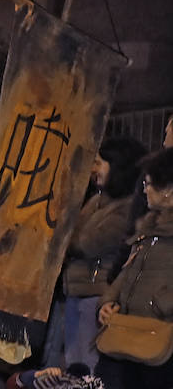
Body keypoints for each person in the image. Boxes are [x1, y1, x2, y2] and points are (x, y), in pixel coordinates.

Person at [45, 136, 146, 370]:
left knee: (87, 366)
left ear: (118, 165)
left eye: (99, 163)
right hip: (74, 292)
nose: (93, 169)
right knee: (72, 362)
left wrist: (63, 237)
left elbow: (84, 242)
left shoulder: (126, 208)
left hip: (95, 296)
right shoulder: (98, 200)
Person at [96, 147, 173, 389]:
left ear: (169, 191)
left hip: (161, 343)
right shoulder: (148, 228)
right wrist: (108, 302)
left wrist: (158, 304)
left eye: (149, 184)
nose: (144, 190)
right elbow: (127, 272)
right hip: (128, 334)